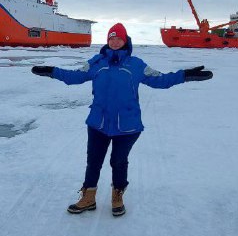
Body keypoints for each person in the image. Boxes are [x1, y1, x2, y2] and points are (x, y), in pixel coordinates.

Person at [31, 22, 213, 216]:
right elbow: (74, 76)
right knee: (93, 161)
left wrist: (185, 75)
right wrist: (52, 71)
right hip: (98, 123)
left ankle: (117, 195)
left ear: (125, 41)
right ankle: (88, 197)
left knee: (118, 161)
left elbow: (161, 80)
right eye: (111, 38)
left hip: (127, 126)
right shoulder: (96, 62)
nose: (115, 41)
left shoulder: (136, 65)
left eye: (119, 38)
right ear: (107, 40)